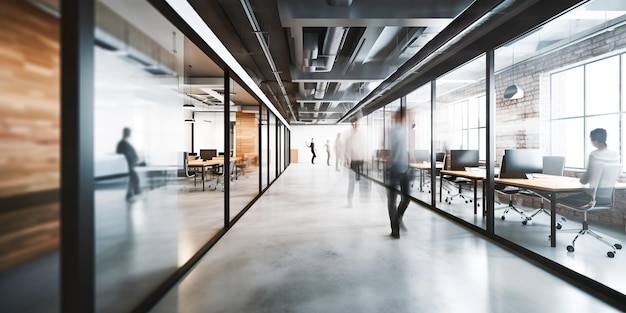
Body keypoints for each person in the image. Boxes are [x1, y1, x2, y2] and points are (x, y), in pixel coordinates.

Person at [561, 128, 620, 205]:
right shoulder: (615, 155)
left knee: (558, 200)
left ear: (595, 140)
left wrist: (582, 177)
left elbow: (584, 180)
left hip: (591, 198)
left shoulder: (594, 155)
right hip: (608, 199)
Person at [386, 109, 410, 239]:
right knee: (392, 200)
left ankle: (398, 216)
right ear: (400, 116)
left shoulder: (405, 130)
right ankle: (395, 229)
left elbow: (405, 148)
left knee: (407, 198)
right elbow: (389, 150)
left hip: (404, 168)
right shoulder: (393, 130)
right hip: (394, 168)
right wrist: (393, 159)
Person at [345, 120, 367, 207]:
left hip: (360, 160)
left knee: (361, 180)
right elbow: (347, 148)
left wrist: (365, 157)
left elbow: (364, 146)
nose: (355, 125)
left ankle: (363, 200)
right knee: (352, 181)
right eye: (353, 124)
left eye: (356, 123)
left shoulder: (361, 135)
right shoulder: (350, 136)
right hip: (353, 161)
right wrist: (347, 159)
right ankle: (350, 200)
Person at [116, 127, 141, 201]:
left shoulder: (124, 143)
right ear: (126, 133)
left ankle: (131, 194)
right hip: (127, 165)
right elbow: (125, 154)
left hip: (130, 164)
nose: (130, 134)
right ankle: (133, 193)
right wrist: (134, 160)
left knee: (133, 179)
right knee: (134, 178)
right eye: (129, 133)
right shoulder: (122, 143)